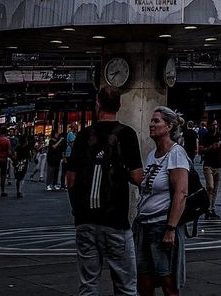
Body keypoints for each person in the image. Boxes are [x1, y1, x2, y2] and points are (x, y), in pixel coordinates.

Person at [65, 84, 144, 296]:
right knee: (126, 285)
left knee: (88, 284)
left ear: (97, 104)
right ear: (119, 105)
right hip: (115, 220)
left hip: (85, 219)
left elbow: (70, 179)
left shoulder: (83, 136)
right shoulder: (126, 135)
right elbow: (138, 177)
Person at [134, 108, 190, 296]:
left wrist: (171, 229)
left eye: (156, 121)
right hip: (144, 225)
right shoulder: (152, 155)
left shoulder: (176, 153)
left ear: (169, 126)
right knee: (144, 280)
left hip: (161, 225)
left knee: (167, 281)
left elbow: (181, 193)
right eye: (151, 120)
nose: (151, 124)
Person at [199, 117, 221, 219]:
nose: (215, 126)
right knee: (210, 187)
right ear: (209, 125)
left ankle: (212, 208)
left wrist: (220, 146)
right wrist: (211, 147)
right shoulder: (205, 136)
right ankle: (207, 208)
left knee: (215, 189)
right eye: (213, 125)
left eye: (216, 125)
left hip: (217, 164)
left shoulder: (220, 135)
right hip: (208, 164)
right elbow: (200, 150)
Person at [0, 128, 12, 197]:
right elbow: (9, 152)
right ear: (6, 133)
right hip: (3, 159)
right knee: (3, 175)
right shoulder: (7, 140)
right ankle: (2, 191)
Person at [13, 128, 32, 198]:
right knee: (22, 177)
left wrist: (15, 160)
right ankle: (20, 191)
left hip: (18, 163)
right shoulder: (27, 148)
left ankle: (18, 190)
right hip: (24, 163)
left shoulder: (18, 147)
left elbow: (15, 155)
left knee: (18, 178)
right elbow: (29, 155)